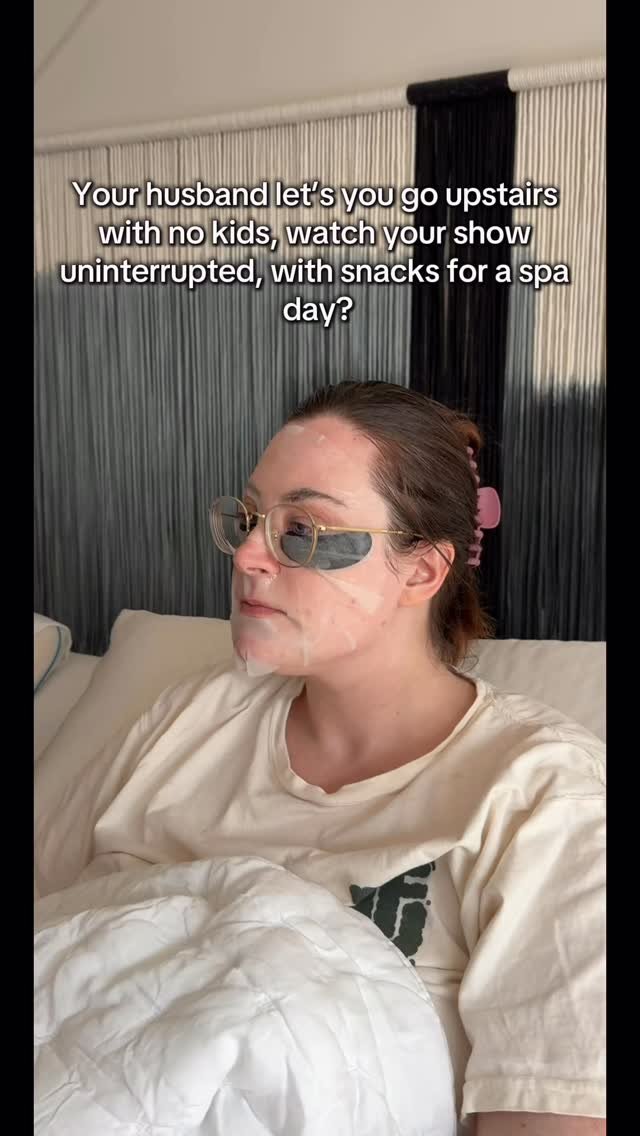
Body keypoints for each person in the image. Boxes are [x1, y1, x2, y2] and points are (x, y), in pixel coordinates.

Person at [35, 381, 605, 1134]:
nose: (248, 555)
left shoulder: (542, 796)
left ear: (422, 571)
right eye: (249, 519)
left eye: (303, 530)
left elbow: (546, 1116)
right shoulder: (189, 718)